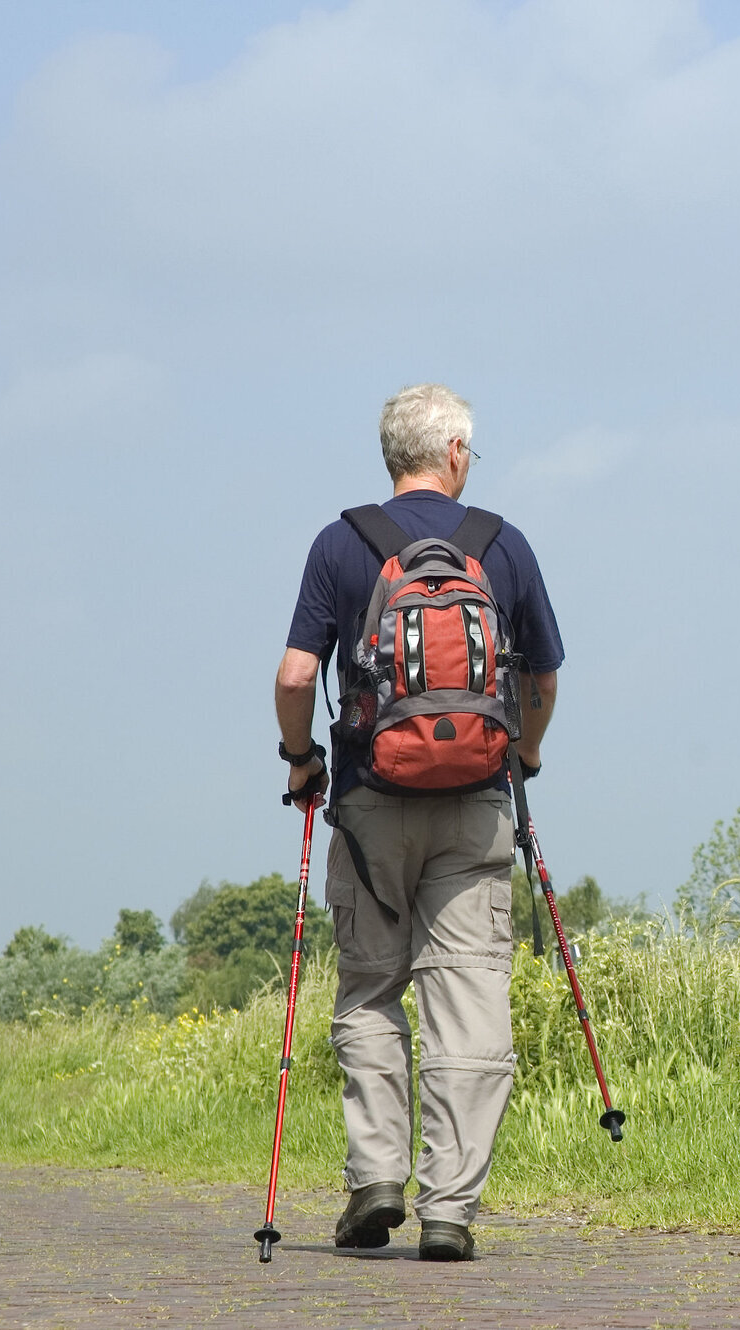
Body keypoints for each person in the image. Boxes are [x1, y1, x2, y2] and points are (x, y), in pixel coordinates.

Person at [274, 383, 563, 1261]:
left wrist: (301, 760)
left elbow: (295, 678)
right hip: (475, 807)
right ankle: (450, 1210)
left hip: (368, 806)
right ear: (457, 452)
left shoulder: (341, 544)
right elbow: (544, 680)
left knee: (370, 989)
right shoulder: (500, 547)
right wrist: (527, 754)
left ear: (392, 456)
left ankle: (375, 1181)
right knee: (468, 1000)